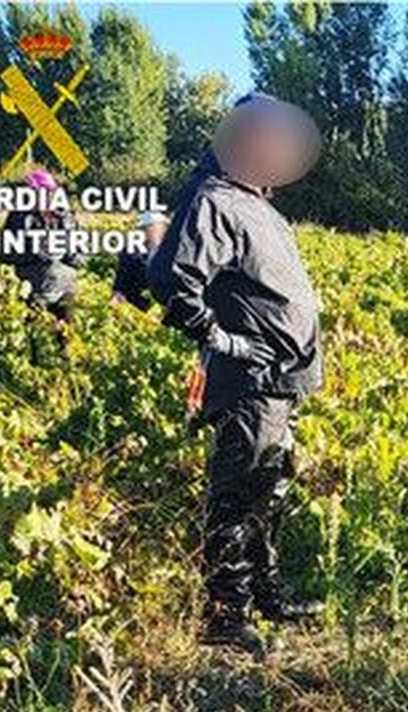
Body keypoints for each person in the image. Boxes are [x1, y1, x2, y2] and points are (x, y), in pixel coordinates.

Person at [148, 92, 325, 653]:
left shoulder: (257, 203)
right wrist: (222, 340)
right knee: (239, 492)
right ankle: (226, 614)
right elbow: (173, 282)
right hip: (249, 381)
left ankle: (266, 594)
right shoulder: (214, 200)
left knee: (269, 491)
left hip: (281, 382)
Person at [0, 168, 84, 322]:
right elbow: (6, 254)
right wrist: (36, 255)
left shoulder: (66, 217)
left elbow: (80, 251)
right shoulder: (18, 217)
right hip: (32, 288)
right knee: (33, 334)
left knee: (66, 337)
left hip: (64, 287)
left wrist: (68, 260)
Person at [111, 210, 169, 310]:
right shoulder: (130, 252)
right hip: (136, 306)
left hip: (164, 306)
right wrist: (117, 296)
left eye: (163, 227)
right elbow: (121, 280)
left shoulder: (170, 250)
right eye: (147, 228)